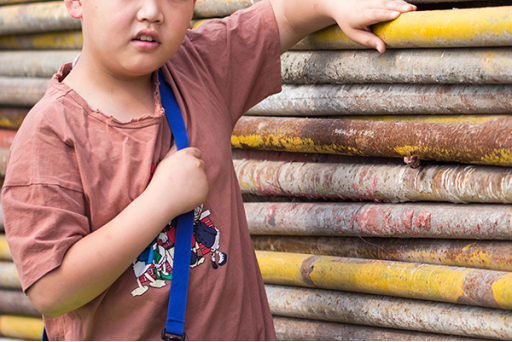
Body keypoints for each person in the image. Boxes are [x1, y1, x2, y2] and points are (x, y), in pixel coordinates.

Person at [2, 0, 415, 340]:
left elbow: (282, 17)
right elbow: (51, 290)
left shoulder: (199, 69)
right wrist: (159, 202)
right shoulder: (51, 133)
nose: (152, 11)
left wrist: (333, 6)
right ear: (76, 2)